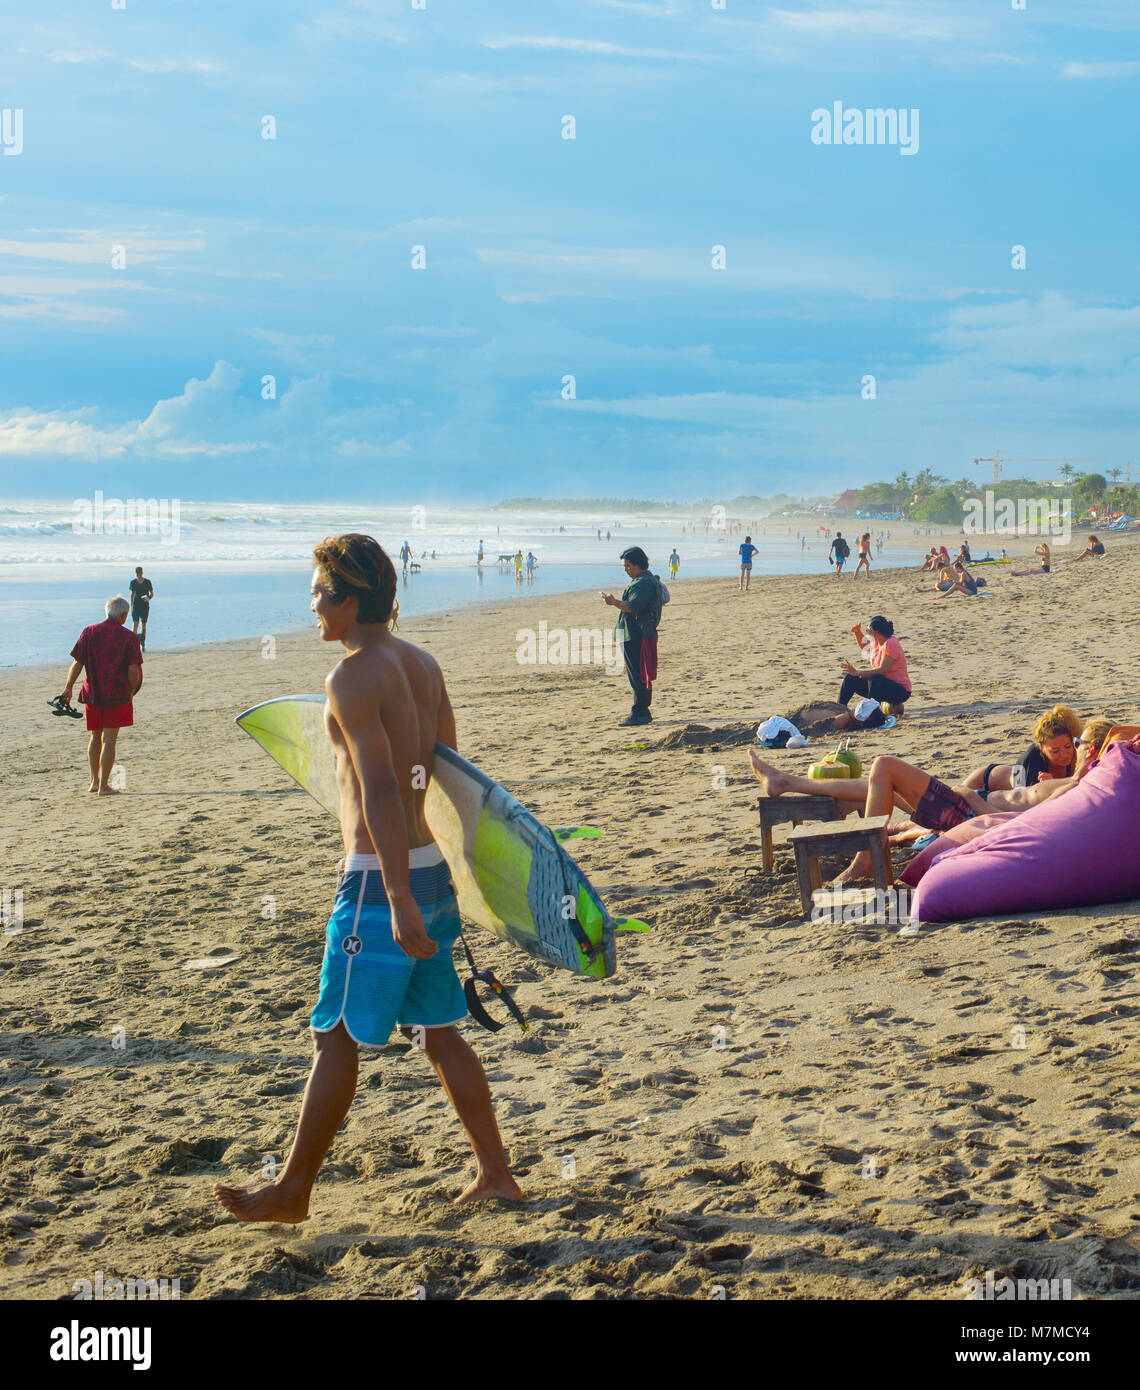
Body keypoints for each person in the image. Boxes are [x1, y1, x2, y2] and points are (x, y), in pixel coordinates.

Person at [213, 535, 521, 1223]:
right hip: (429, 872)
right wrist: (448, 878)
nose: (312, 604)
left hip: (379, 884)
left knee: (338, 1035)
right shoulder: (422, 664)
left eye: (320, 592)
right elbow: (447, 777)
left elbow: (382, 789)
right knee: (440, 1030)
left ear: (349, 602)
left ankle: (292, 1190)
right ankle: (496, 1173)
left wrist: (398, 894)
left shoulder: (353, 676)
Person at [748, 745, 1086, 883]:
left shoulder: (1076, 787)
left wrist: (977, 805)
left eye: (1085, 745)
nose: (1079, 748)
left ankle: (867, 860)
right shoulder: (1070, 780)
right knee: (881, 783)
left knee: (884, 766)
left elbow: (1026, 824)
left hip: (968, 812)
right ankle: (786, 781)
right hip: (967, 805)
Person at [58, 596, 143, 796]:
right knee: (109, 741)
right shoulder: (129, 637)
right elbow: (133, 670)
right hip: (117, 695)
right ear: (124, 615)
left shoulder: (89, 632)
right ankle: (104, 786)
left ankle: (94, 782)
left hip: (92, 693)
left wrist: (68, 687)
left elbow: (77, 663)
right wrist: (131, 691)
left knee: (95, 737)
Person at [602, 546, 662, 727]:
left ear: (638, 564)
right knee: (640, 674)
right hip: (637, 634)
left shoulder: (643, 583)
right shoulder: (644, 580)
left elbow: (632, 606)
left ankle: (640, 712)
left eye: (628, 566)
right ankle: (641, 710)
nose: (626, 570)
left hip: (636, 635)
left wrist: (613, 602)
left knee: (638, 675)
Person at [963, 706, 1083, 794]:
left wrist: (1054, 783)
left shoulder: (1077, 752)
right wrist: (1052, 785)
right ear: (1041, 748)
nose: (1064, 755)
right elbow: (1024, 801)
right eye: (1055, 751)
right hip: (983, 782)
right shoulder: (1031, 758)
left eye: (1067, 747)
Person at [838, 616, 911, 713]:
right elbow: (864, 645)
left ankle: (872, 713)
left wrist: (858, 672)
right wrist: (857, 632)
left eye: (868, 630)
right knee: (851, 678)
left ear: (875, 632)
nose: (867, 632)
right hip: (880, 686)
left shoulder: (891, 643)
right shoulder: (877, 641)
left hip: (900, 691)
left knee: (875, 678)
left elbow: (883, 671)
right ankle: (839, 708)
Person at [128, 566, 154, 650]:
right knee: (135, 624)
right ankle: (134, 644)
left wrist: (148, 598)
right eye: (137, 574)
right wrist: (131, 606)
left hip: (144, 606)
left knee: (143, 625)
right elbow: (132, 595)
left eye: (139, 573)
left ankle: (143, 644)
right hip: (136, 606)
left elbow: (152, 593)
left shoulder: (147, 582)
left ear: (142, 573)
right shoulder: (133, 582)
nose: (138, 575)